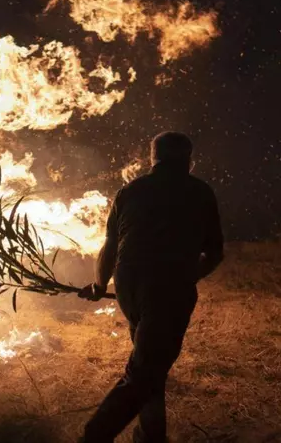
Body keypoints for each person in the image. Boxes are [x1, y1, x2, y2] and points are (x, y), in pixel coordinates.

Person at [78, 131, 224, 442]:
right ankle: (94, 436)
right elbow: (215, 253)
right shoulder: (199, 192)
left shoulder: (129, 191)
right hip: (168, 288)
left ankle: (151, 435)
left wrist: (99, 285)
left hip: (128, 286)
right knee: (144, 372)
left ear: (152, 158)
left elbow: (110, 247)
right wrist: (187, 278)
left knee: (150, 364)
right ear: (189, 160)